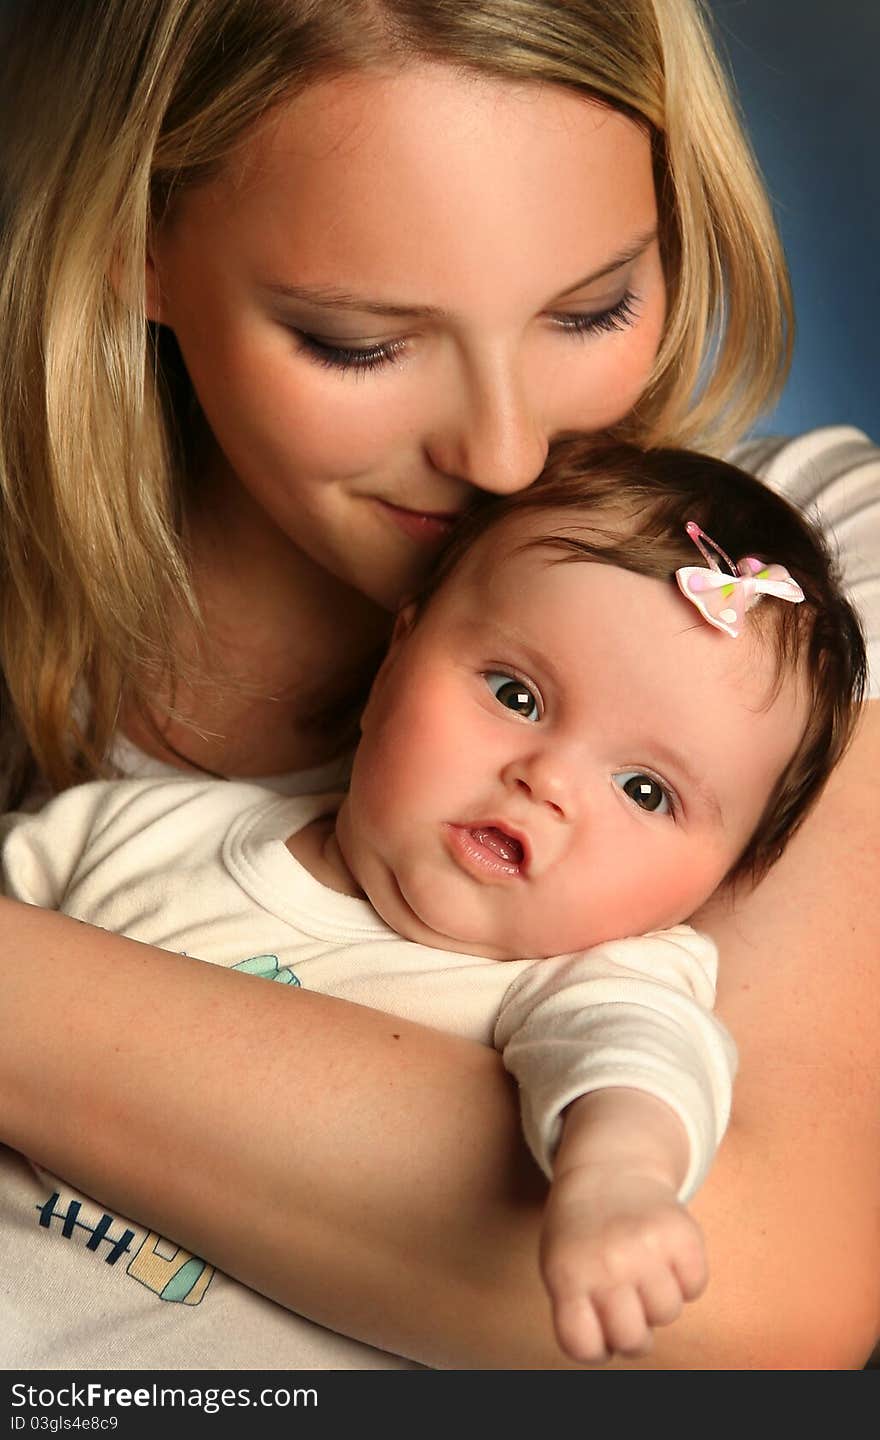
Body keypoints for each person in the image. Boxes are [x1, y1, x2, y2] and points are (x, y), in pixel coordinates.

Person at [1, 0, 878, 1371]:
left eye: (591, 307)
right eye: (361, 340)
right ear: (132, 249)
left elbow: (750, 1301)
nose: (511, 453)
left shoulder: (797, 592)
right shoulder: (122, 796)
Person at [0, 440, 867, 1369]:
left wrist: (617, 1182)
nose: (546, 781)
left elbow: (640, 1070)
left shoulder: (592, 981)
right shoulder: (133, 830)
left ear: (724, 881)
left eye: (646, 791)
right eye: (516, 694)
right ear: (396, 658)